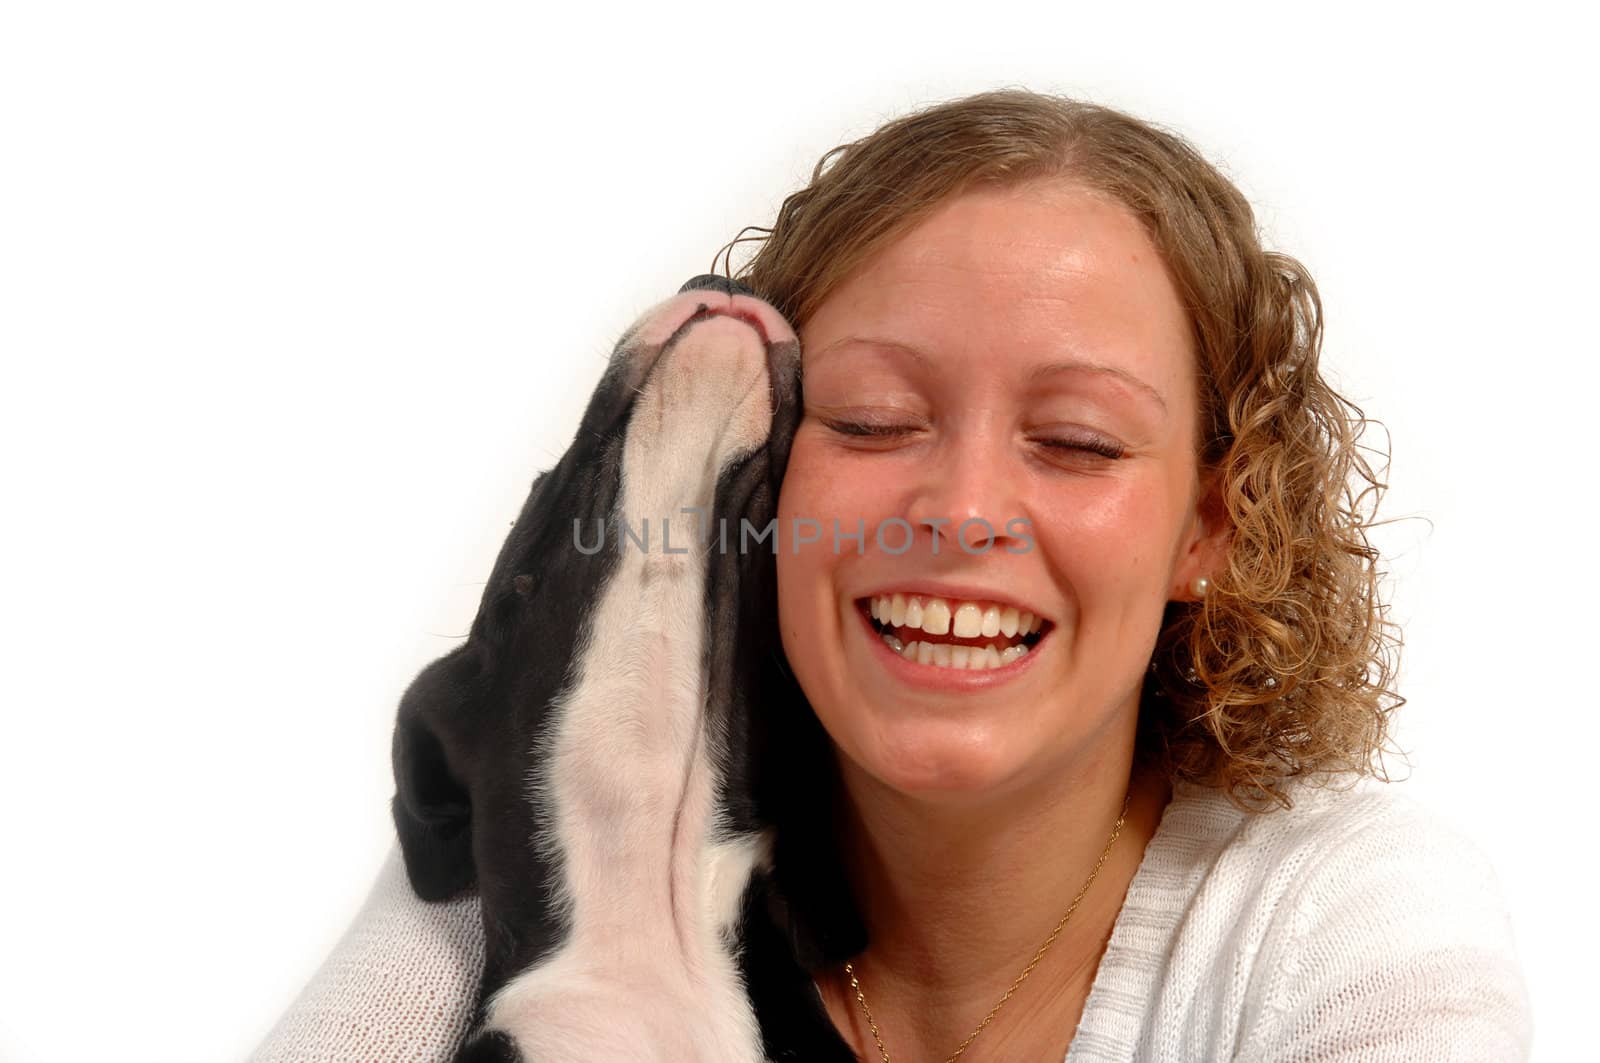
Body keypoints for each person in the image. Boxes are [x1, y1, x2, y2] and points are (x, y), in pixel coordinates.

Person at [252, 89, 1532, 1062]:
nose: (964, 509)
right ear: (759, 474)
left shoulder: (1343, 921)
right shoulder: (573, 831)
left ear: (1211, 526)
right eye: (869, 420)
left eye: (1076, 442)